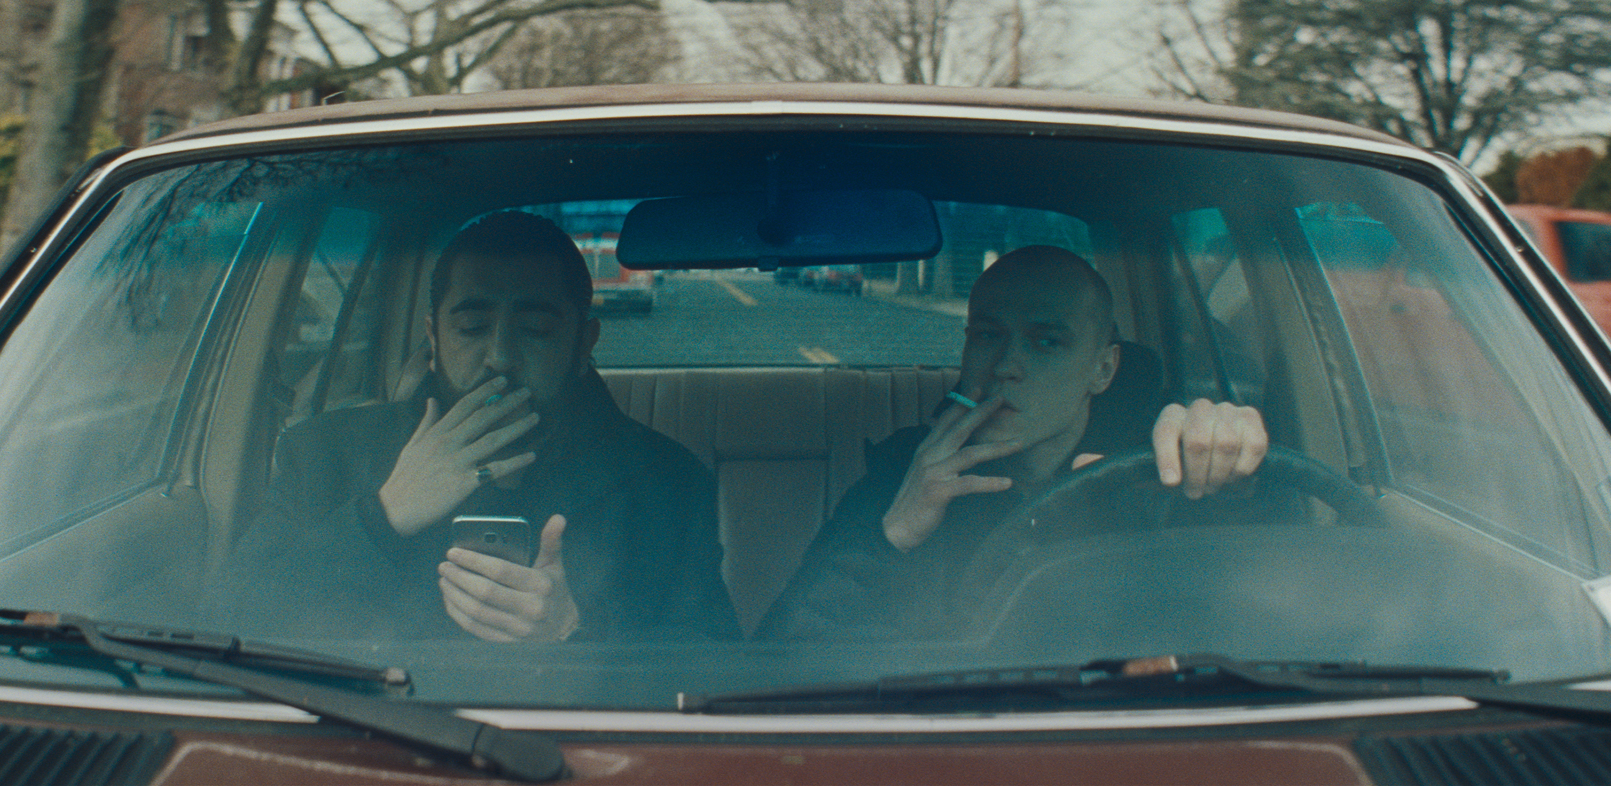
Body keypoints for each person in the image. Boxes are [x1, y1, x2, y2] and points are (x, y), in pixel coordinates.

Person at [224, 211, 739, 642]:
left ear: (583, 345)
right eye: (471, 327)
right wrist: (382, 517)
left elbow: (710, 673)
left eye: (535, 329)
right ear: (433, 337)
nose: (500, 357)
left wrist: (572, 631)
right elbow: (228, 618)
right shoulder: (323, 452)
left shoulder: (669, 484)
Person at [758, 244, 1269, 640]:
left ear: (1103, 369)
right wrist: (891, 533)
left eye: (1047, 341)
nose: (1005, 366)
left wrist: (1229, 471)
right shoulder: (906, 469)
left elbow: (1257, 624)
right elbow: (777, 658)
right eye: (987, 334)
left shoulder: (1159, 472)